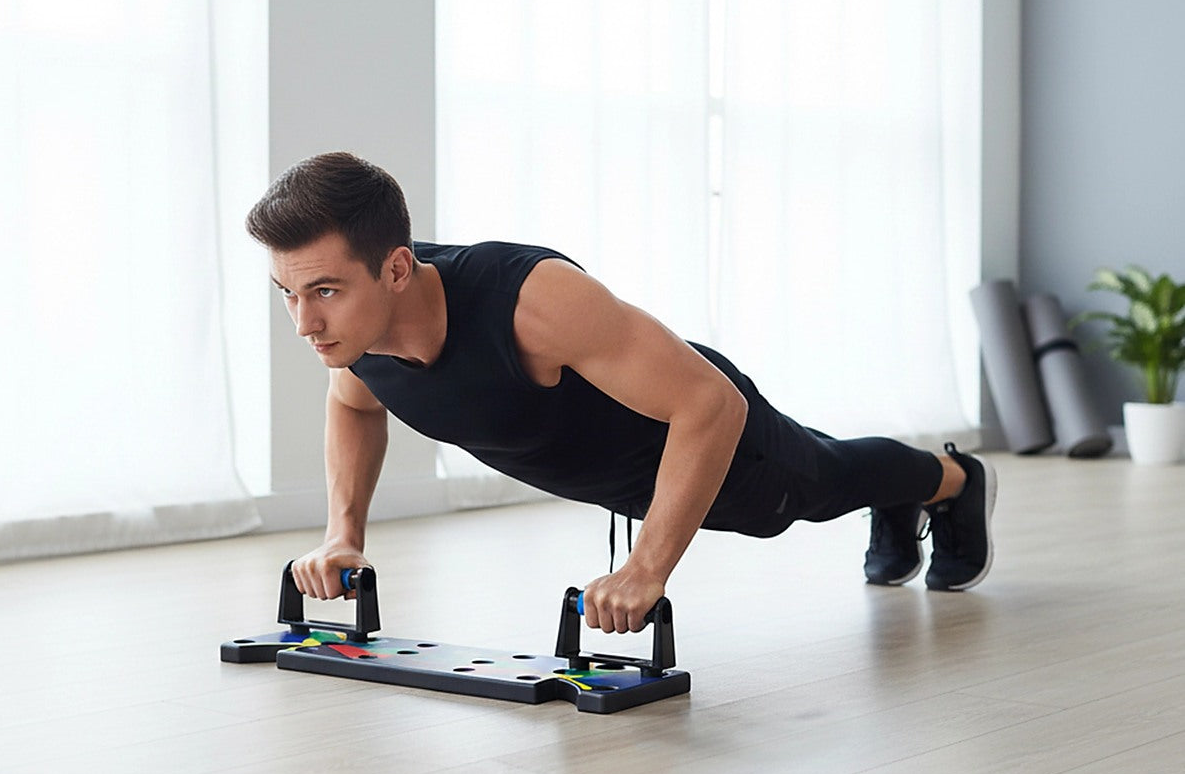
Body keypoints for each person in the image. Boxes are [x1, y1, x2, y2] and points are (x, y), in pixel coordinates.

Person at [246, 152, 996, 635]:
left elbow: (709, 405)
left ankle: (953, 480)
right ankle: (908, 495)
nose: (304, 323)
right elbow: (352, 405)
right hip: (625, 471)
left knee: (818, 484)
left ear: (396, 269)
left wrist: (645, 568)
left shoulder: (531, 301)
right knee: (824, 471)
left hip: (697, 433)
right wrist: (343, 533)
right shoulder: (356, 337)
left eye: (325, 291)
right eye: (287, 293)